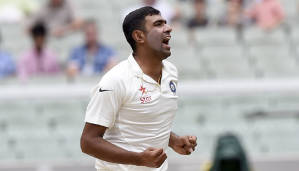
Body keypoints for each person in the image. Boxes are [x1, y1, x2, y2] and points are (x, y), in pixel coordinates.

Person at [80, 6, 197, 171]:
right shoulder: (115, 80)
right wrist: (139, 159)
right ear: (139, 36)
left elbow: (144, 122)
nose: (168, 28)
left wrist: (174, 141)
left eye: (166, 23)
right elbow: (88, 142)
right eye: (158, 24)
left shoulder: (171, 72)